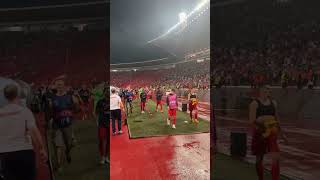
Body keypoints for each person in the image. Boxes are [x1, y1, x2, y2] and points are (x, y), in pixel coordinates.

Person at [0, 84, 47, 180]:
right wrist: (41, 148)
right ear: (17, 95)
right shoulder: (25, 111)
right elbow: (33, 131)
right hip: (24, 152)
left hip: (5, 154)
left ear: (5, 96)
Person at [249, 85, 288, 180]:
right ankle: (261, 178)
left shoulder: (273, 103)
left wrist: (282, 134)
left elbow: (277, 118)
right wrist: (263, 127)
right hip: (260, 133)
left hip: (272, 133)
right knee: (259, 159)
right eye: (265, 90)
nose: (267, 93)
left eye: (268, 91)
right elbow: (251, 121)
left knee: (276, 157)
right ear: (260, 92)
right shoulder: (254, 104)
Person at [50, 78, 79, 172]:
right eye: (58, 85)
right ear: (55, 86)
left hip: (68, 125)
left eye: (61, 84)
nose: (60, 86)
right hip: (57, 125)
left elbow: (76, 108)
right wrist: (49, 119)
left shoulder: (70, 97)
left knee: (70, 144)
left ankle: (67, 152)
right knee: (59, 145)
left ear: (64, 86)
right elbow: (49, 111)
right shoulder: (52, 98)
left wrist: (75, 105)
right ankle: (59, 165)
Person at [95, 89, 110, 164]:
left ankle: (106, 156)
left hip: (110, 123)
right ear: (104, 93)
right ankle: (103, 157)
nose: (107, 93)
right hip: (102, 123)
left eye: (108, 91)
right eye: (106, 91)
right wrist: (97, 121)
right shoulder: (100, 102)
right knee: (103, 140)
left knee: (108, 141)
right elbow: (96, 112)